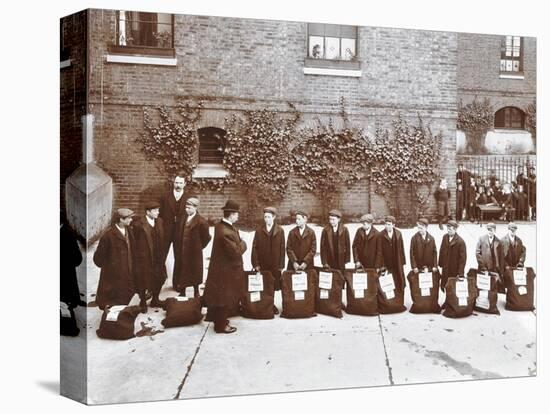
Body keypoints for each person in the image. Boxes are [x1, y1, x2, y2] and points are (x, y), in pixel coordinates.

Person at [203, 200, 247, 334]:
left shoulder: (220, 226)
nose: (238, 216)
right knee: (223, 297)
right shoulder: (225, 232)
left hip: (222, 269)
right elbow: (236, 252)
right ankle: (221, 326)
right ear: (231, 215)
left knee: (221, 296)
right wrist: (244, 242)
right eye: (236, 214)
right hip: (225, 271)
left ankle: (219, 321)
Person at [93, 208, 136, 309]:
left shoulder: (129, 230)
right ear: (121, 219)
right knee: (114, 304)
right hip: (114, 278)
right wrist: (111, 266)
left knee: (125, 300)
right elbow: (98, 260)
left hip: (128, 273)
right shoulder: (108, 236)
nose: (131, 220)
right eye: (129, 218)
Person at [133, 201, 167, 313]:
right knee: (143, 279)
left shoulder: (160, 221)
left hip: (158, 257)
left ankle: (155, 299)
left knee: (160, 277)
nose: (158, 212)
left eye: (158, 210)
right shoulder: (139, 224)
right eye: (155, 210)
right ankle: (143, 301)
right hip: (145, 257)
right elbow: (135, 242)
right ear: (148, 212)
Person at [174, 197, 211, 298]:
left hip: (194, 251)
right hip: (182, 250)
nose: (187, 210)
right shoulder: (182, 218)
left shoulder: (201, 221)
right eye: (186, 207)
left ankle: (196, 291)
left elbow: (206, 238)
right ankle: (182, 290)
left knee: (195, 271)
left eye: (189, 208)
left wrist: (198, 247)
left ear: (195, 208)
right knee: (183, 270)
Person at [251, 206, 286, 314]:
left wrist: (281, 265)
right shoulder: (259, 230)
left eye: (269, 217)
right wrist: (255, 263)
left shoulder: (280, 231)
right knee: (264, 284)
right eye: (265, 217)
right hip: (263, 262)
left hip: (275, 263)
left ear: (274, 217)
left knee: (273, 284)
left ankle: (271, 303)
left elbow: (282, 248)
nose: (266, 219)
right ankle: (266, 305)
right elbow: (254, 247)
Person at [159, 172, 189, 286]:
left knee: (179, 257)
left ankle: (177, 283)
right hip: (166, 231)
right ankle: (160, 280)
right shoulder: (165, 197)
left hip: (180, 232)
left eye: (180, 183)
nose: (178, 185)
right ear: (173, 183)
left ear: (185, 184)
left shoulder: (188, 198)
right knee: (161, 255)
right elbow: (160, 215)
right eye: (176, 182)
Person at [60, 212, 84, 336]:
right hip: (64, 274)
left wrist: (65, 264)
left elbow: (77, 258)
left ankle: (69, 329)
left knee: (64, 303)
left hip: (64, 275)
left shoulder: (67, 235)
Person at [375, 215, 406, 291]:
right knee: (386, 282)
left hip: (396, 261)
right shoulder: (380, 235)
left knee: (398, 280)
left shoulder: (398, 234)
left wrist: (402, 262)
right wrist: (379, 265)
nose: (387, 226)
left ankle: (398, 299)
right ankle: (387, 302)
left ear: (393, 225)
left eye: (389, 225)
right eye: (385, 224)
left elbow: (401, 248)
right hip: (386, 262)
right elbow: (379, 250)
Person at [438, 220, 467, 291]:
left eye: (450, 229)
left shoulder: (460, 242)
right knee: (445, 284)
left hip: (454, 268)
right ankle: (447, 300)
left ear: (455, 229)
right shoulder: (445, 237)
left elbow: (462, 259)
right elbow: (441, 250)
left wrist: (460, 273)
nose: (448, 231)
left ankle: (451, 301)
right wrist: (440, 263)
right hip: (445, 267)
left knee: (452, 286)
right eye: (447, 229)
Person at [320, 209, 351, 273]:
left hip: (341, 258)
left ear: (338, 220)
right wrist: (324, 262)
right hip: (330, 259)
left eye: (333, 219)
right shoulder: (325, 230)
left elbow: (348, 245)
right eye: (330, 219)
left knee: (341, 277)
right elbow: (322, 248)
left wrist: (347, 259)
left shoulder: (344, 229)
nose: (331, 221)